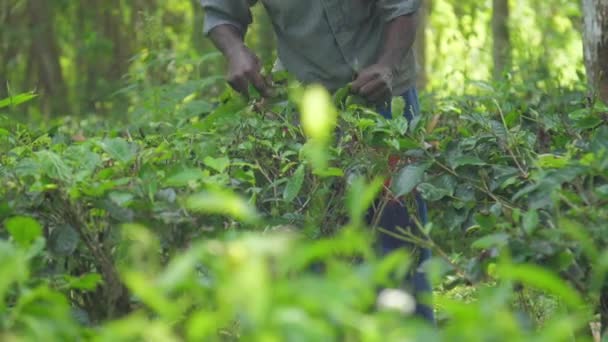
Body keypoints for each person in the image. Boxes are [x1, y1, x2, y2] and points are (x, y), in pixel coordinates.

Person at [200, 0, 434, 323]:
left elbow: (403, 8)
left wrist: (388, 66)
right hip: (308, 106)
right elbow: (221, 11)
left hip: (385, 100)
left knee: (397, 236)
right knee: (315, 241)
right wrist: (235, 50)